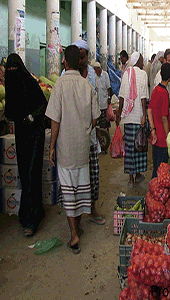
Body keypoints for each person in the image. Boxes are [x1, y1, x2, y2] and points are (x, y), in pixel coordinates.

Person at [46, 45, 101, 254]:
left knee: (69, 191)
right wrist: (86, 129)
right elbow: (96, 116)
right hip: (82, 148)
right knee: (80, 187)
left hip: (65, 148)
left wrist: (51, 146)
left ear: (64, 62)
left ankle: (74, 234)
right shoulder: (86, 85)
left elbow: (55, 120)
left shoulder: (59, 85)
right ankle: (77, 227)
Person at [62, 39, 105, 225]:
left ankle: (92, 210)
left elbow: (96, 105)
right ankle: (75, 217)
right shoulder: (66, 75)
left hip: (90, 137)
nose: (80, 60)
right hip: (73, 138)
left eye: (83, 57)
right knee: (74, 180)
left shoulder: (94, 76)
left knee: (93, 178)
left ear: (87, 57)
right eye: (78, 57)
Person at [5, 53, 47, 237]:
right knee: (25, 174)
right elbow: (10, 111)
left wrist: (32, 116)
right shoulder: (11, 86)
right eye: (9, 70)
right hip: (22, 136)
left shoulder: (29, 83)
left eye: (15, 69)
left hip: (35, 134)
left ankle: (32, 220)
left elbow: (43, 104)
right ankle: (30, 212)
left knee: (31, 173)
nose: (12, 72)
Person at [116, 52, 149, 188]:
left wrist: (119, 113)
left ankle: (131, 178)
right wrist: (144, 115)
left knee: (129, 147)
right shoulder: (142, 74)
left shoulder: (126, 74)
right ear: (138, 62)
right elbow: (143, 97)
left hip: (128, 116)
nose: (142, 63)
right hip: (138, 116)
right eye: (141, 60)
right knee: (139, 146)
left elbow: (122, 96)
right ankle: (138, 174)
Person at [148, 63, 170, 178]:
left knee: (156, 167)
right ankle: (156, 191)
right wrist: (168, 137)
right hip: (163, 139)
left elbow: (149, 110)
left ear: (161, 74)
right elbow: (164, 118)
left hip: (155, 137)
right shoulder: (164, 93)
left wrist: (153, 130)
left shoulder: (155, 90)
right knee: (162, 170)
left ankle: (152, 189)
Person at [93, 61, 112, 131]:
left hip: (104, 102)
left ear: (99, 68)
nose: (95, 72)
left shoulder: (105, 75)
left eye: (96, 70)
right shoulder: (95, 76)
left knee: (105, 122)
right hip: (97, 103)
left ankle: (106, 133)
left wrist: (109, 98)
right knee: (99, 124)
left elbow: (109, 88)